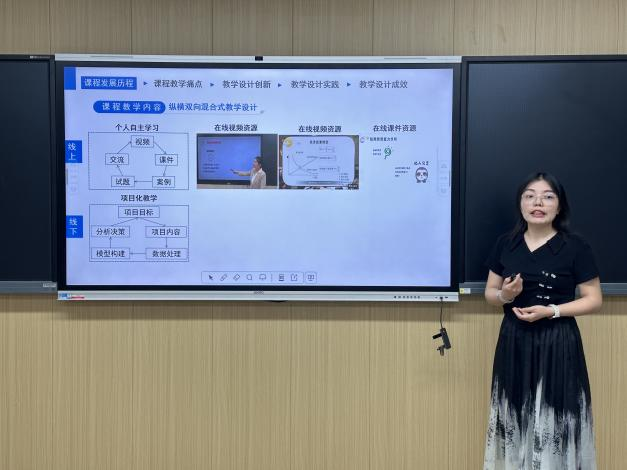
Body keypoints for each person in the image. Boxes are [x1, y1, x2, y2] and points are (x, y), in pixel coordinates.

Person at [483, 172, 602, 470]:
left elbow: (593, 299)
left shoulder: (575, 246)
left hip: (558, 340)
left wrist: (552, 311)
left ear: (559, 207)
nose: (538, 203)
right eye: (530, 196)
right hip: (514, 339)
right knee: (514, 415)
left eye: (547, 197)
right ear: (521, 204)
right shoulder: (505, 243)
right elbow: (490, 294)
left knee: (556, 417)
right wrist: (506, 295)